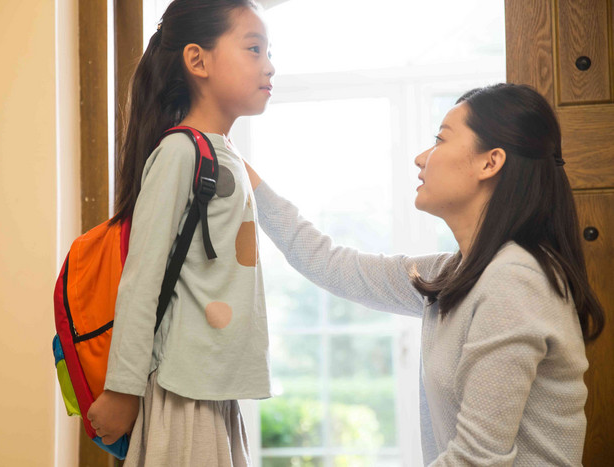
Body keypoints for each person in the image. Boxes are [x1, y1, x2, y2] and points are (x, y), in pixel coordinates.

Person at [245, 83, 604, 466]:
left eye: (439, 140)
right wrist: (242, 172)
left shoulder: (513, 281)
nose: (421, 158)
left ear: (490, 162)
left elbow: (476, 459)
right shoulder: (457, 273)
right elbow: (331, 264)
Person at [86, 1, 275, 465]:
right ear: (198, 61)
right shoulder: (179, 153)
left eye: (269, 52)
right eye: (254, 49)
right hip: (182, 394)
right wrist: (123, 391)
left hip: (213, 390)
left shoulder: (224, 153)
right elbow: (142, 280)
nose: (269, 66)